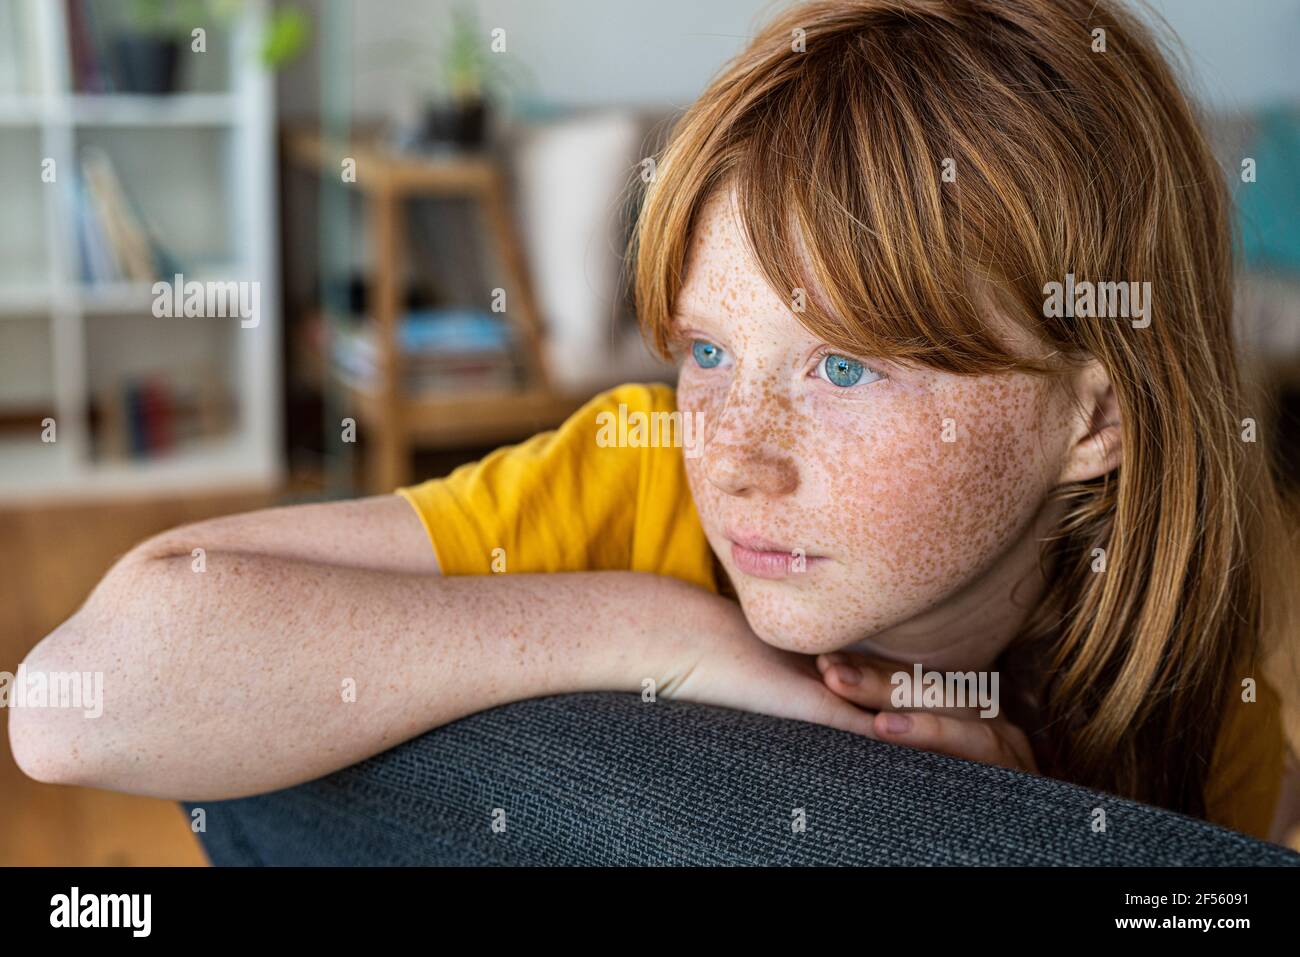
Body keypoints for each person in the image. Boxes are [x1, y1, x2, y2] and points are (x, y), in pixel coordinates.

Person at [12, 0, 1300, 849]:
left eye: (847, 371)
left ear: (1095, 417)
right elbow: (71, 702)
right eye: (709, 351)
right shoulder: (633, 490)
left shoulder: (1180, 651)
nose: (734, 454)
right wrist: (651, 633)